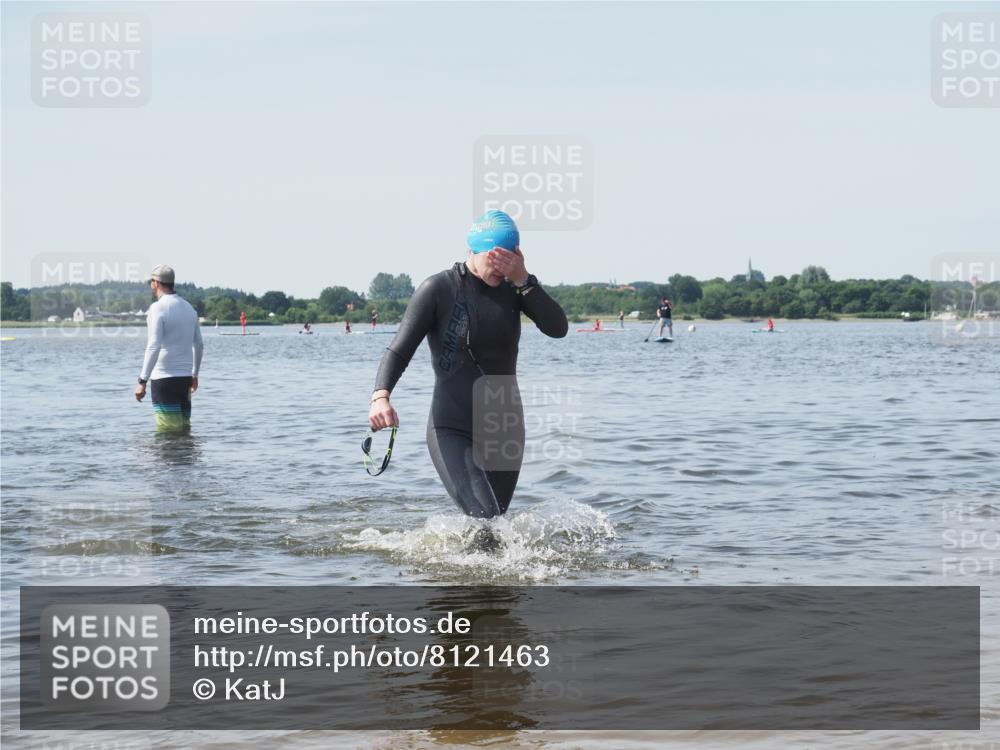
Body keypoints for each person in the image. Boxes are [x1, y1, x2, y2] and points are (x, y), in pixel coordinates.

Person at [368, 209, 567, 536]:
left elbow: (558, 328)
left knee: (496, 527)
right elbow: (399, 349)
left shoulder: (515, 288)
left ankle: (465, 567)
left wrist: (524, 279)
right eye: (495, 259)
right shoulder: (438, 289)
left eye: (508, 260)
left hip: (505, 427)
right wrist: (381, 397)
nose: (500, 268)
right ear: (475, 250)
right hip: (452, 425)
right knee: (487, 520)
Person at [134, 265, 203, 432]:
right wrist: (194, 375)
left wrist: (142, 381)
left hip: (164, 379)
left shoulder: (157, 308)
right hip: (185, 379)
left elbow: (154, 345)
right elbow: (199, 345)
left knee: (167, 432)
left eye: (151, 282)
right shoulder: (189, 308)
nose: (151, 285)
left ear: (156, 283)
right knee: (184, 429)